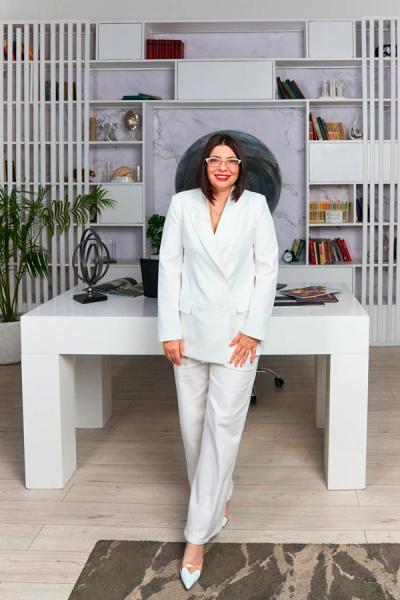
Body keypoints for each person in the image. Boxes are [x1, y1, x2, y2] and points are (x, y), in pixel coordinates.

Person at [157, 132, 279, 590]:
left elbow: (267, 269)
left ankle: (196, 537)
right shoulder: (182, 204)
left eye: (231, 160)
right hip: (189, 334)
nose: (223, 167)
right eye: (215, 159)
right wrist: (169, 329)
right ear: (204, 165)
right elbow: (170, 267)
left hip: (237, 337)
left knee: (222, 429)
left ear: (240, 167)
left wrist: (253, 329)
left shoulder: (255, 206)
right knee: (193, 430)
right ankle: (217, 498)